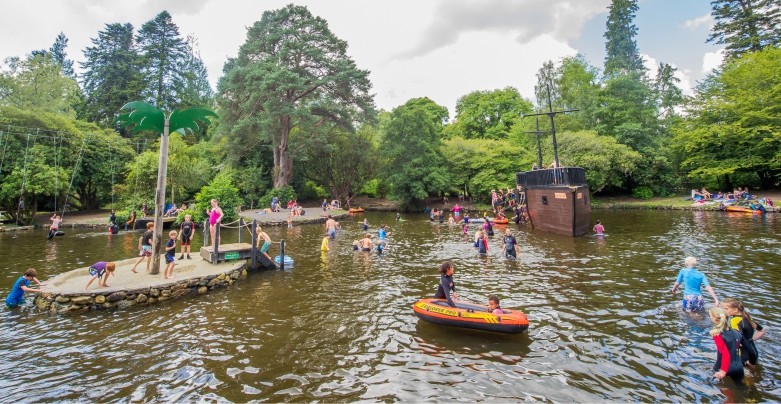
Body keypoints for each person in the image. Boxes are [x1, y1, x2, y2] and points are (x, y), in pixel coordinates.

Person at [709, 307, 757, 381]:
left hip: (723, 368)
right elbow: (751, 351)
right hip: (739, 367)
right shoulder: (736, 332)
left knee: (714, 385)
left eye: (710, 316)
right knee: (741, 388)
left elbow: (725, 353)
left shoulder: (717, 334)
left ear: (715, 319)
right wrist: (751, 362)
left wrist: (723, 371)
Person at [722, 298, 766, 364]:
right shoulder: (747, 317)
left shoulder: (734, 321)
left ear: (735, 310)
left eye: (726, 309)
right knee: (752, 371)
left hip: (743, 354)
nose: (723, 311)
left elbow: (737, 338)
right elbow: (762, 330)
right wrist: (750, 339)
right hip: (753, 351)